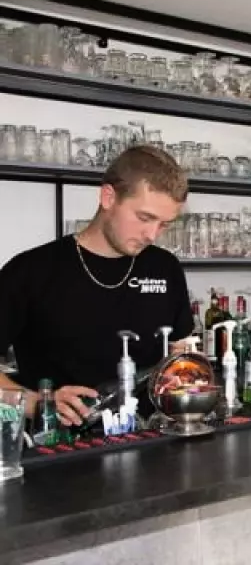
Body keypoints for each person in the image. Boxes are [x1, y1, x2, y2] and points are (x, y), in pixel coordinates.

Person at [0, 145, 194, 426]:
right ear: (108, 197)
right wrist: (36, 403)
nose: (152, 235)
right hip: (61, 443)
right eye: (144, 218)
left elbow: (180, 354)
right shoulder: (31, 271)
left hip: (152, 439)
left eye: (165, 224)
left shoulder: (165, 268)